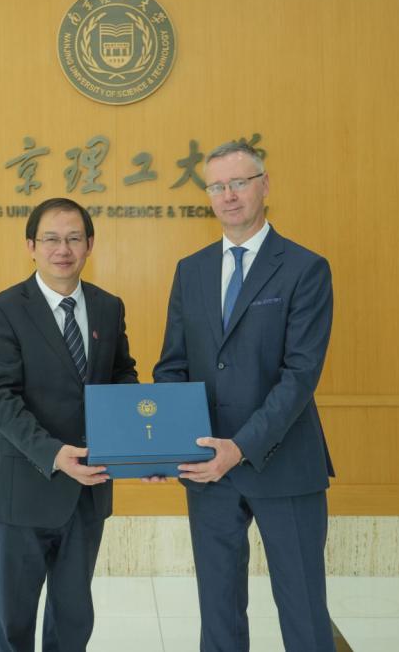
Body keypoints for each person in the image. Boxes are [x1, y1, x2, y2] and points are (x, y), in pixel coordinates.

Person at [153, 141, 336, 651]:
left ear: (264, 185)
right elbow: (172, 366)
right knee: (218, 610)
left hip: (283, 463)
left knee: (302, 608)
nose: (228, 195)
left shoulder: (305, 268)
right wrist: (169, 445)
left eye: (239, 182)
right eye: (217, 186)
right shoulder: (191, 270)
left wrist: (240, 447)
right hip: (207, 468)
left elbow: (300, 375)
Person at [0, 197, 138, 652]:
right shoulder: (4, 309)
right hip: (26, 486)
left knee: (73, 616)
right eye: (50, 239)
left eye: (73, 238)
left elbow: (122, 374)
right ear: (31, 246)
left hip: (89, 486)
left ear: (90, 244)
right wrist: (52, 454)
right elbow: (0, 396)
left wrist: (139, 442)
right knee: (13, 615)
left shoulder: (108, 307)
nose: (62, 249)